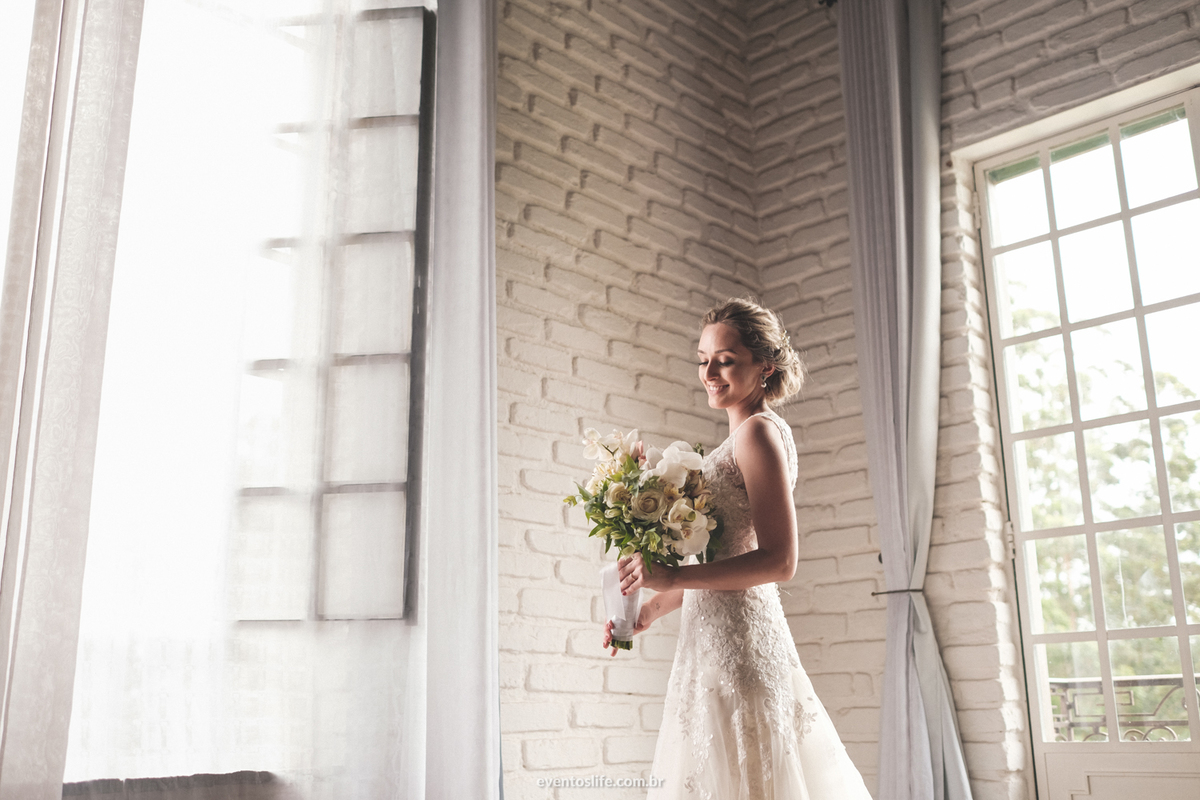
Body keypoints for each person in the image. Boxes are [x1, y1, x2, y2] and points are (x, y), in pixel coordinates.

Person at [603, 298, 872, 799]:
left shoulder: (758, 434)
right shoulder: (740, 439)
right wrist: (650, 611)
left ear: (764, 365)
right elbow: (723, 560)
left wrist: (673, 576)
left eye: (724, 360)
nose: (709, 373)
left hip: (740, 642)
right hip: (710, 637)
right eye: (703, 360)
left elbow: (780, 560)